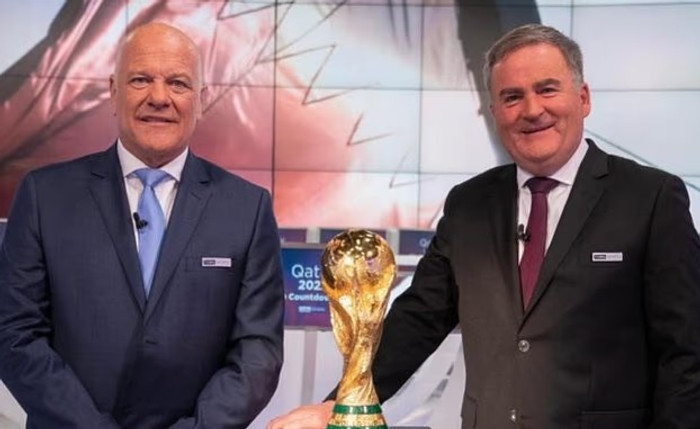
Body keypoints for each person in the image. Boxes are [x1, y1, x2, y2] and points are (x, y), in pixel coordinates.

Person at [267, 23, 700, 429]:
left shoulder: (651, 198)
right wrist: (341, 403)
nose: (532, 110)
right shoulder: (469, 205)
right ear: (494, 112)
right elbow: (418, 319)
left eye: (547, 89)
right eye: (512, 97)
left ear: (583, 97)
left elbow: (685, 351)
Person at [0, 22, 284, 429]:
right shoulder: (45, 196)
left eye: (178, 83)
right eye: (140, 80)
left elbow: (257, 352)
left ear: (201, 100)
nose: (159, 97)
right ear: (113, 92)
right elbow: (15, 335)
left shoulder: (247, 208)